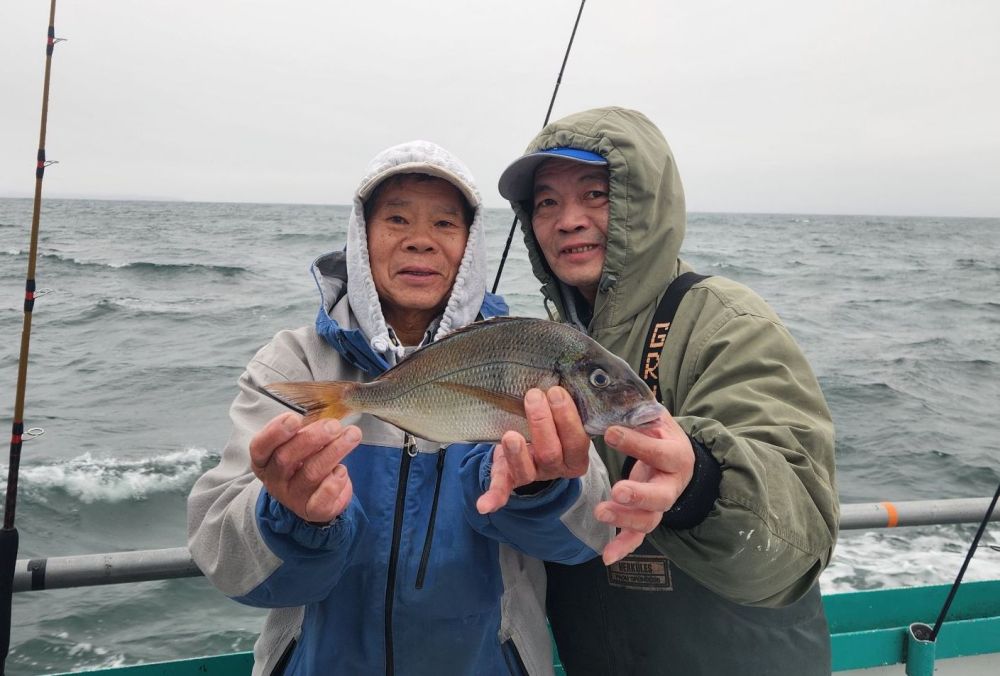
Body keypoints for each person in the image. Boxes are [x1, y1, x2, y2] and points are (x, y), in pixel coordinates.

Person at [187, 140, 616, 676]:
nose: (420, 242)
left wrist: (538, 489)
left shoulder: (521, 353)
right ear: (361, 238)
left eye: (444, 224)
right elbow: (229, 566)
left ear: (470, 245)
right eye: (396, 219)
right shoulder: (292, 363)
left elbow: (590, 534)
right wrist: (290, 516)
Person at [496, 107, 839, 675]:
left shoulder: (728, 322)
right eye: (546, 202)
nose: (568, 220)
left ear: (644, 204)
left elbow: (798, 538)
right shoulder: (543, 348)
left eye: (597, 194)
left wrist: (700, 483)